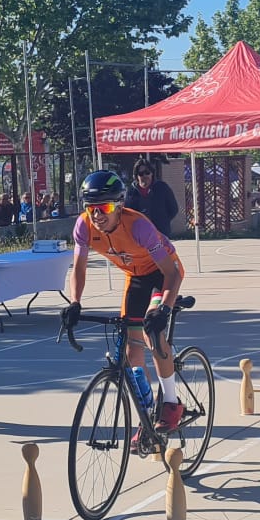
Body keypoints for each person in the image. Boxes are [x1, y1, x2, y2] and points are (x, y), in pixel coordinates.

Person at [65, 168, 185, 440]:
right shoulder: (83, 226)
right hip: (136, 277)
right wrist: (75, 302)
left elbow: (172, 273)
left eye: (105, 207)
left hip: (162, 272)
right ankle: (146, 415)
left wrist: (164, 309)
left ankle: (171, 402)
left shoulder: (138, 226)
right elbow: (79, 269)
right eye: (91, 208)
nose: (97, 215)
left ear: (119, 206)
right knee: (132, 349)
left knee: (152, 331)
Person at [129, 161, 179, 235]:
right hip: (139, 236)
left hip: (160, 234)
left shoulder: (162, 187)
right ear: (136, 176)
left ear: (152, 173)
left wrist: (163, 221)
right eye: (141, 174)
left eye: (147, 172)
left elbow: (173, 209)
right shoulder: (131, 192)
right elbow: (127, 213)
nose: (144, 176)